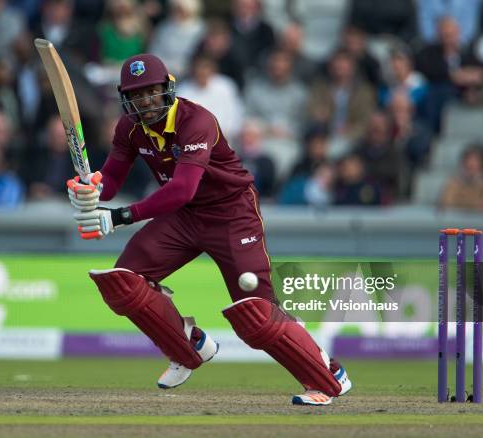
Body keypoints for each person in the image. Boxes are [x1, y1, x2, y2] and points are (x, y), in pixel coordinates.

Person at [66, 53, 352, 406]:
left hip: (231, 214)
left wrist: (121, 216)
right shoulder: (129, 128)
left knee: (256, 313)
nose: (146, 101)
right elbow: (111, 179)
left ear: (166, 89)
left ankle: (327, 376)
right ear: (127, 98)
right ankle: (189, 348)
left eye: (151, 92)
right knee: (123, 281)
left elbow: (182, 188)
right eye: (137, 95)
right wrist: (90, 188)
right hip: (184, 217)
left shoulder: (196, 121)